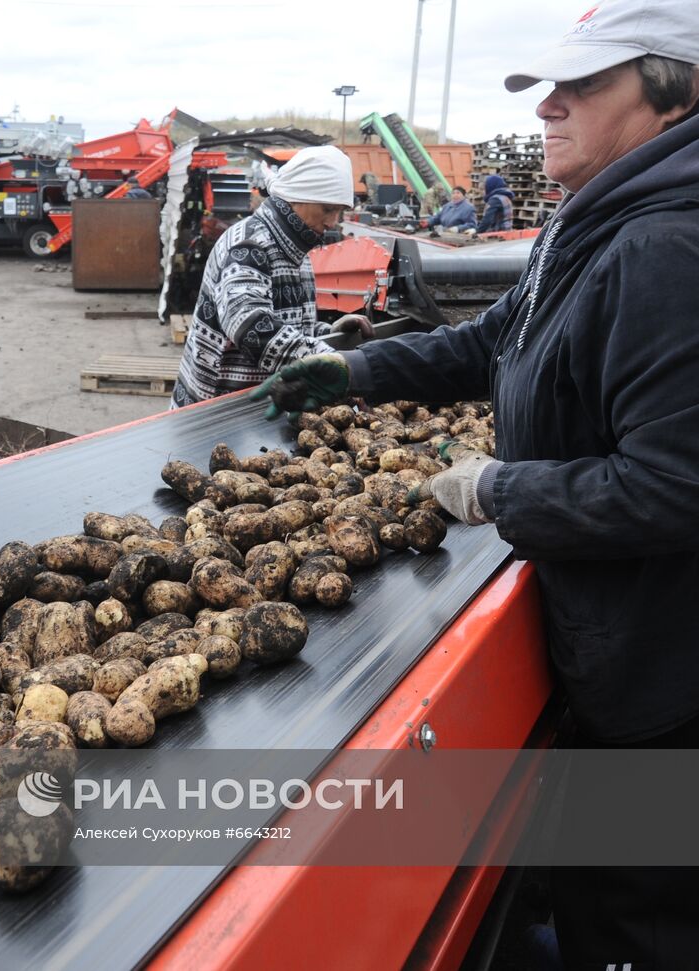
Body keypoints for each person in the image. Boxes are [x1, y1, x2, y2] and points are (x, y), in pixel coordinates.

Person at [249, 1, 699, 965]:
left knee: (636, 918)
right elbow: (500, 341)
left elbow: (672, 487)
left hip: (667, 681)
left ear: (674, 96)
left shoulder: (669, 248)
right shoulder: (596, 220)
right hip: (615, 644)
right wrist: (360, 372)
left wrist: (499, 491)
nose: (549, 106)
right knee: (584, 884)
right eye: (548, 85)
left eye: (586, 83)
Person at [170, 145, 371, 406]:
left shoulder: (296, 248)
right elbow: (252, 328)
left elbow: (288, 325)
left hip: (261, 406)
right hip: (218, 411)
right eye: (327, 209)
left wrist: (328, 332)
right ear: (297, 196)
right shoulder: (250, 246)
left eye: (338, 212)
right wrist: (336, 363)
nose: (333, 222)